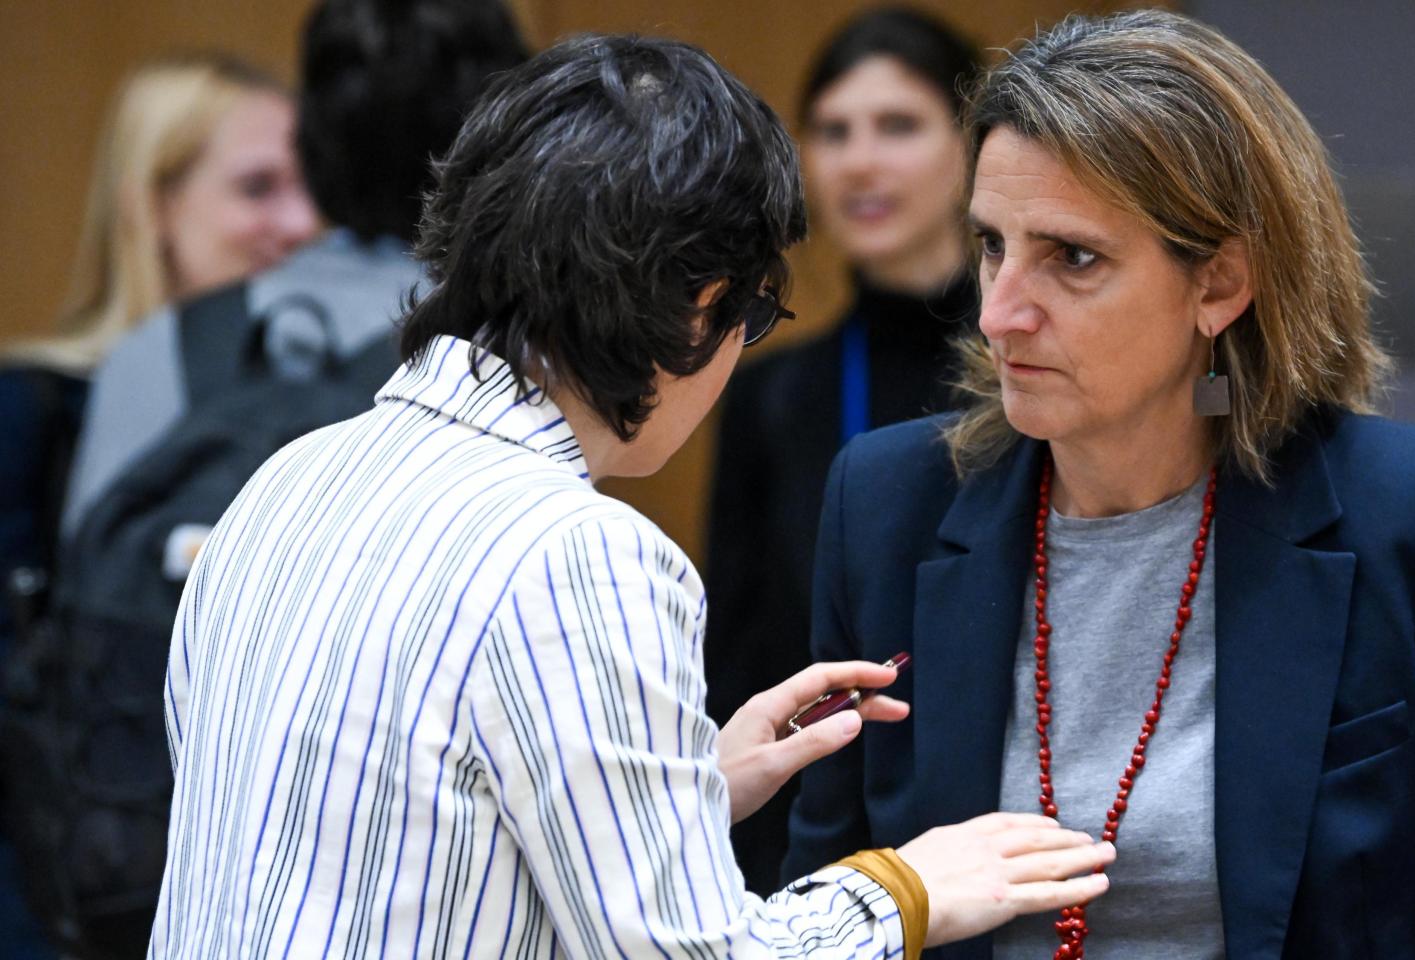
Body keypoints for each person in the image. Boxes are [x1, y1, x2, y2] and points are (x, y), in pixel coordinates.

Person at [147, 34, 1114, 959]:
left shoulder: (290, 479)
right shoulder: (579, 552)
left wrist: (681, 795)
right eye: (754, 315)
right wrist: (908, 885)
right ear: (703, 305)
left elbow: (379, 840)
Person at [785, 10, 1415, 959]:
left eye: (1072, 258)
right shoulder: (886, 505)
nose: (999, 313)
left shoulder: (1412, 514)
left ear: (1218, 286)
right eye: (993, 245)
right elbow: (825, 907)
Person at [0, 53, 313, 958]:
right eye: (258, 188)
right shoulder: (32, 413)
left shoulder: (323, 413)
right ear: (153, 205)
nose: (302, 224)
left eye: (311, 187)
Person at [59, 0, 526, 537]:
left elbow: (93, 576)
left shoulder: (151, 353)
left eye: (301, 181)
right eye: (257, 188)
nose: (300, 223)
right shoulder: (513, 344)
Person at [703, 7, 981, 893]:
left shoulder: (1035, 370)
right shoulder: (769, 392)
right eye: (833, 132)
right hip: (822, 826)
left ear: (972, 145)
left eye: (898, 125)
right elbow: (739, 661)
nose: (861, 161)